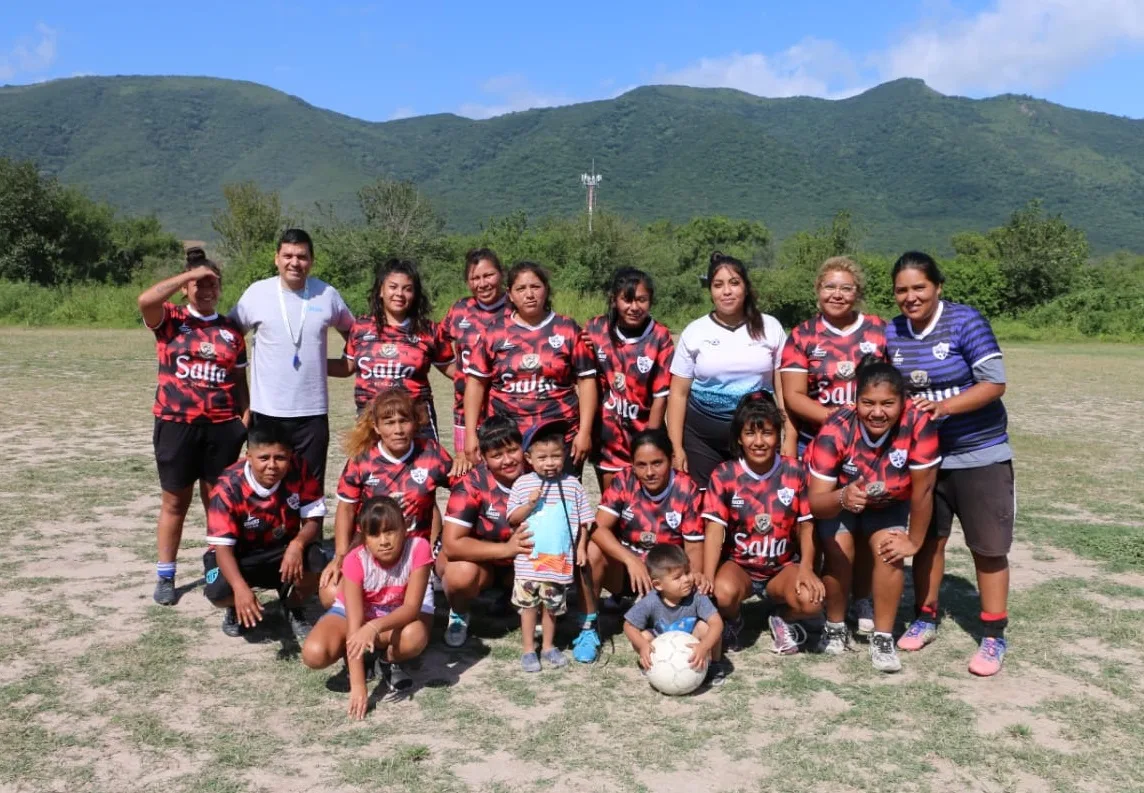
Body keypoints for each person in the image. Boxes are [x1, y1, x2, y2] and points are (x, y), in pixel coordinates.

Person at [885, 252, 1015, 677]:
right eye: (902, 290)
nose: (911, 297)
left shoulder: (965, 322)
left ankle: (993, 635)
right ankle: (925, 616)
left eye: (919, 287)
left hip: (980, 453)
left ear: (938, 287)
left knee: (988, 548)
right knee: (928, 541)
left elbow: (994, 383)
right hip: (924, 460)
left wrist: (942, 408)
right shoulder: (893, 331)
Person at [805, 357, 941, 672]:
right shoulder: (837, 427)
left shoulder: (919, 423)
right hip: (841, 500)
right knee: (839, 552)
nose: (877, 412)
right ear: (855, 402)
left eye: (887, 403)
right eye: (868, 402)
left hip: (890, 502)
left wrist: (914, 540)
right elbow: (815, 502)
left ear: (903, 402)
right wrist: (842, 496)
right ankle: (835, 625)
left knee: (890, 552)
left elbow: (922, 491)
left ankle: (882, 637)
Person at [778, 255, 886, 635]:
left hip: (872, 447)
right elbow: (794, 396)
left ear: (857, 292)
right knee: (828, 526)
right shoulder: (803, 335)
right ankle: (828, 596)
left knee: (866, 524)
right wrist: (841, 422)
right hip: (818, 446)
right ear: (817, 290)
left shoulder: (878, 331)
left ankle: (862, 597)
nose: (837, 294)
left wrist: (866, 421)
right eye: (829, 287)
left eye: (846, 287)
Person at [138, 247, 249, 606]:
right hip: (176, 425)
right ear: (185, 288)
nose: (205, 290)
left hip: (221, 428)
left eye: (212, 284)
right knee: (175, 501)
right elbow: (145, 299)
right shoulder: (169, 318)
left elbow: (239, 381)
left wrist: (243, 421)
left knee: (218, 502)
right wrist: (189, 274)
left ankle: (216, 570)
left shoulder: (231, 330)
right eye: (197, 285)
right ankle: (166, 575)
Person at [231, 228, 355, 491]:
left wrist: (342, 365)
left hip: (312, 414)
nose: (294, 262)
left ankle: (312, 534)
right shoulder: (257, 293)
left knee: (311, 488)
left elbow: (356, 335)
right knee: (267, 486)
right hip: (266, 412)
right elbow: (228, 338)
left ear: (311, 260)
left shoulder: (326, 294)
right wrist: (240, 395)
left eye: (302, 256)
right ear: (276, 258)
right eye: (288, 255)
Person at [701, 393, 824, 654]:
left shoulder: (796, 471)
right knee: (720, 594)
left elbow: (807, 526)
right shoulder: (725, 474)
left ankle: (782, 618)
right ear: (739, 438)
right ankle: (734, 619)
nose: (759, 442)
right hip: (740, 567)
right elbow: (713, 531)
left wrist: (806, 568)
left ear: (778, 435)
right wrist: (708, 577)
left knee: (811, 601)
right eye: (750, 434)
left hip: (782, 567)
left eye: (767, 433)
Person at [667, 252, 794, 489]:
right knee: (706, 507)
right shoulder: (695, 331)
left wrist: (789, 436)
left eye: (734, 283)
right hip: (702, 438)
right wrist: (676, 447)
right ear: (711, 291)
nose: (726, 291)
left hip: (758, 435)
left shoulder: (771, 327)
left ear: (746, 287)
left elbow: (783, 387)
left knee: (756, 503)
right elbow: (678, 394)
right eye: (718, 285)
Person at [578, 429, 706, 663]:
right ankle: (589, 627)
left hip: (667, 576)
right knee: (591, 551)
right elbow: (598, 528)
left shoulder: (687, 489)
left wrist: (690, 580)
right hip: (629, 572)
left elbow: (694, 548)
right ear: (632, 464)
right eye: (641, 465)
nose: (649, 472)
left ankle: (674, 618)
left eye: (657, 463)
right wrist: (630, 559)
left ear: (671, 460)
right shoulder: (624, 480)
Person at [463, 262, 598, 477]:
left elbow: (587, 381)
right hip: (508, 440)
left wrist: (584, 432)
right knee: (514, 505)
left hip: (560, 437)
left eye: (535, 287)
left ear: (546, 289)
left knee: (560, 503)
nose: (529, 294)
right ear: (510, 294)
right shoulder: (494, 332)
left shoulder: (567, 329)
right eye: (521, 289)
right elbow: (476, 384)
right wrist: (470, 434)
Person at [301, 496, 432, 718]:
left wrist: (372, 628)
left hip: (393, 618)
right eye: (375, 534)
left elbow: (411, 608)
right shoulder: (356, 559)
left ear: (406, 526)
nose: (384, 541)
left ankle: (387, 660)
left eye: (390, 531)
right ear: (364, 536)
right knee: (314, 654)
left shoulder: (419, 548)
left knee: (416, 636)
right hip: (354, 616)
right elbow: (354, 622)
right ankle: (356, 657)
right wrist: (359, 686)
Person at [321, 388, 452, 609]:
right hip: (372, 547)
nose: (398, 430)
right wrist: (341, 555)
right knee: (330, 593)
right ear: (376, 427)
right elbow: (345, 509)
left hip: (414, 550)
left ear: (416, 422)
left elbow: (466, 493)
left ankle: (447, 603)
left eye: (404, 421)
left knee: (413, 633)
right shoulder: (363, 459)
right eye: (389, 422)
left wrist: (464, 466)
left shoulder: (431, 453)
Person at [203, 423, 328, 639]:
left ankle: (291, 607)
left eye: (280, 458)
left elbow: (314, 520)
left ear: (290, 456)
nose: (272, 465)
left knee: (317, 560)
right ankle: (236, 606)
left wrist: (297, 544)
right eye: (264, 458)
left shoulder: (300, 470)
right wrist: (240, 588)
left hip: (283, 551)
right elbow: (223, 548)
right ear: (249, 456)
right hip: (239, 556)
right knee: (218, 592)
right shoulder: (227, 486)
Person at [329, 258, 454, 442]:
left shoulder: (430, 331)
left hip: (416, 420)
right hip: (370, 420)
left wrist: (490, 376)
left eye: (407, 288)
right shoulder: (361, 327)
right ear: (381, 290)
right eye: (393, 287)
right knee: (370, 470)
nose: (399, 294)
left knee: (425, 470)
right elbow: (346, 366)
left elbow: (453, 370)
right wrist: (309, 362)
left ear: (415, 294)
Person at [505, 421, 594, 672]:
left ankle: (548, 646)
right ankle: (528, 650)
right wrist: (529, 504)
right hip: (528, 562)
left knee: (552, 607)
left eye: (556, 456)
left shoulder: (573, 485)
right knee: (528, 607)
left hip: (558, 561)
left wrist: (582, 548)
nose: (550, 463)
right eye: (542, 457)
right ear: (528, 458)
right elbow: (512, 518)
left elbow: (584, 521)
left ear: (564, 456)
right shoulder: (522, 484)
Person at [439, 414, 531, 648]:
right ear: (483, 457)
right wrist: (506, 549)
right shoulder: (471, 483)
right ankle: (459, 613)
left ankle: (525, 604)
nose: (508, 460)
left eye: (512, 450)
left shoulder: (538, 475)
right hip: (480, 563)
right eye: (497, 455)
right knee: (459, 574)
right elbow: (452, 545)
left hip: (517, 562)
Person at [582, 268, 675, 493]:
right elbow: (585, 379)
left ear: (651, 300)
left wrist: (649, 445)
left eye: (641, 300)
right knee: (613, 505)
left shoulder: (660, 336)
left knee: (644, 505)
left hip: (643, 430)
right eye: (627, 299)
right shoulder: (595, 329)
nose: (634, 307)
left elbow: (660, 397)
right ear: (614, 300)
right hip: (608, 437)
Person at [623, 543, 729, 687]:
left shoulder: (697, 596)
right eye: (678, 577)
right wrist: (642, 646)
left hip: (692, 639)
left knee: (706, 627)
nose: (686, 579)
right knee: (643, 637)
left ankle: (714, 665)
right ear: (658, 585)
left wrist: (704, 646)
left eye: (687, 572)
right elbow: (628, 626)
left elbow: (717, 623)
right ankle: (651, 662)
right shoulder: (651, 601)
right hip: (661, 639)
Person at [440, 248, 509, 456]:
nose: (482, 283)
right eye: (475, 278)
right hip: (465, 412)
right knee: (469, 469)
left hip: (506, 410)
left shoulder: (516, 308)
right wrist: (458, 373)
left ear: (501, 274)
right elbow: (437, 341)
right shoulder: (460, 309)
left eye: (488, 275)